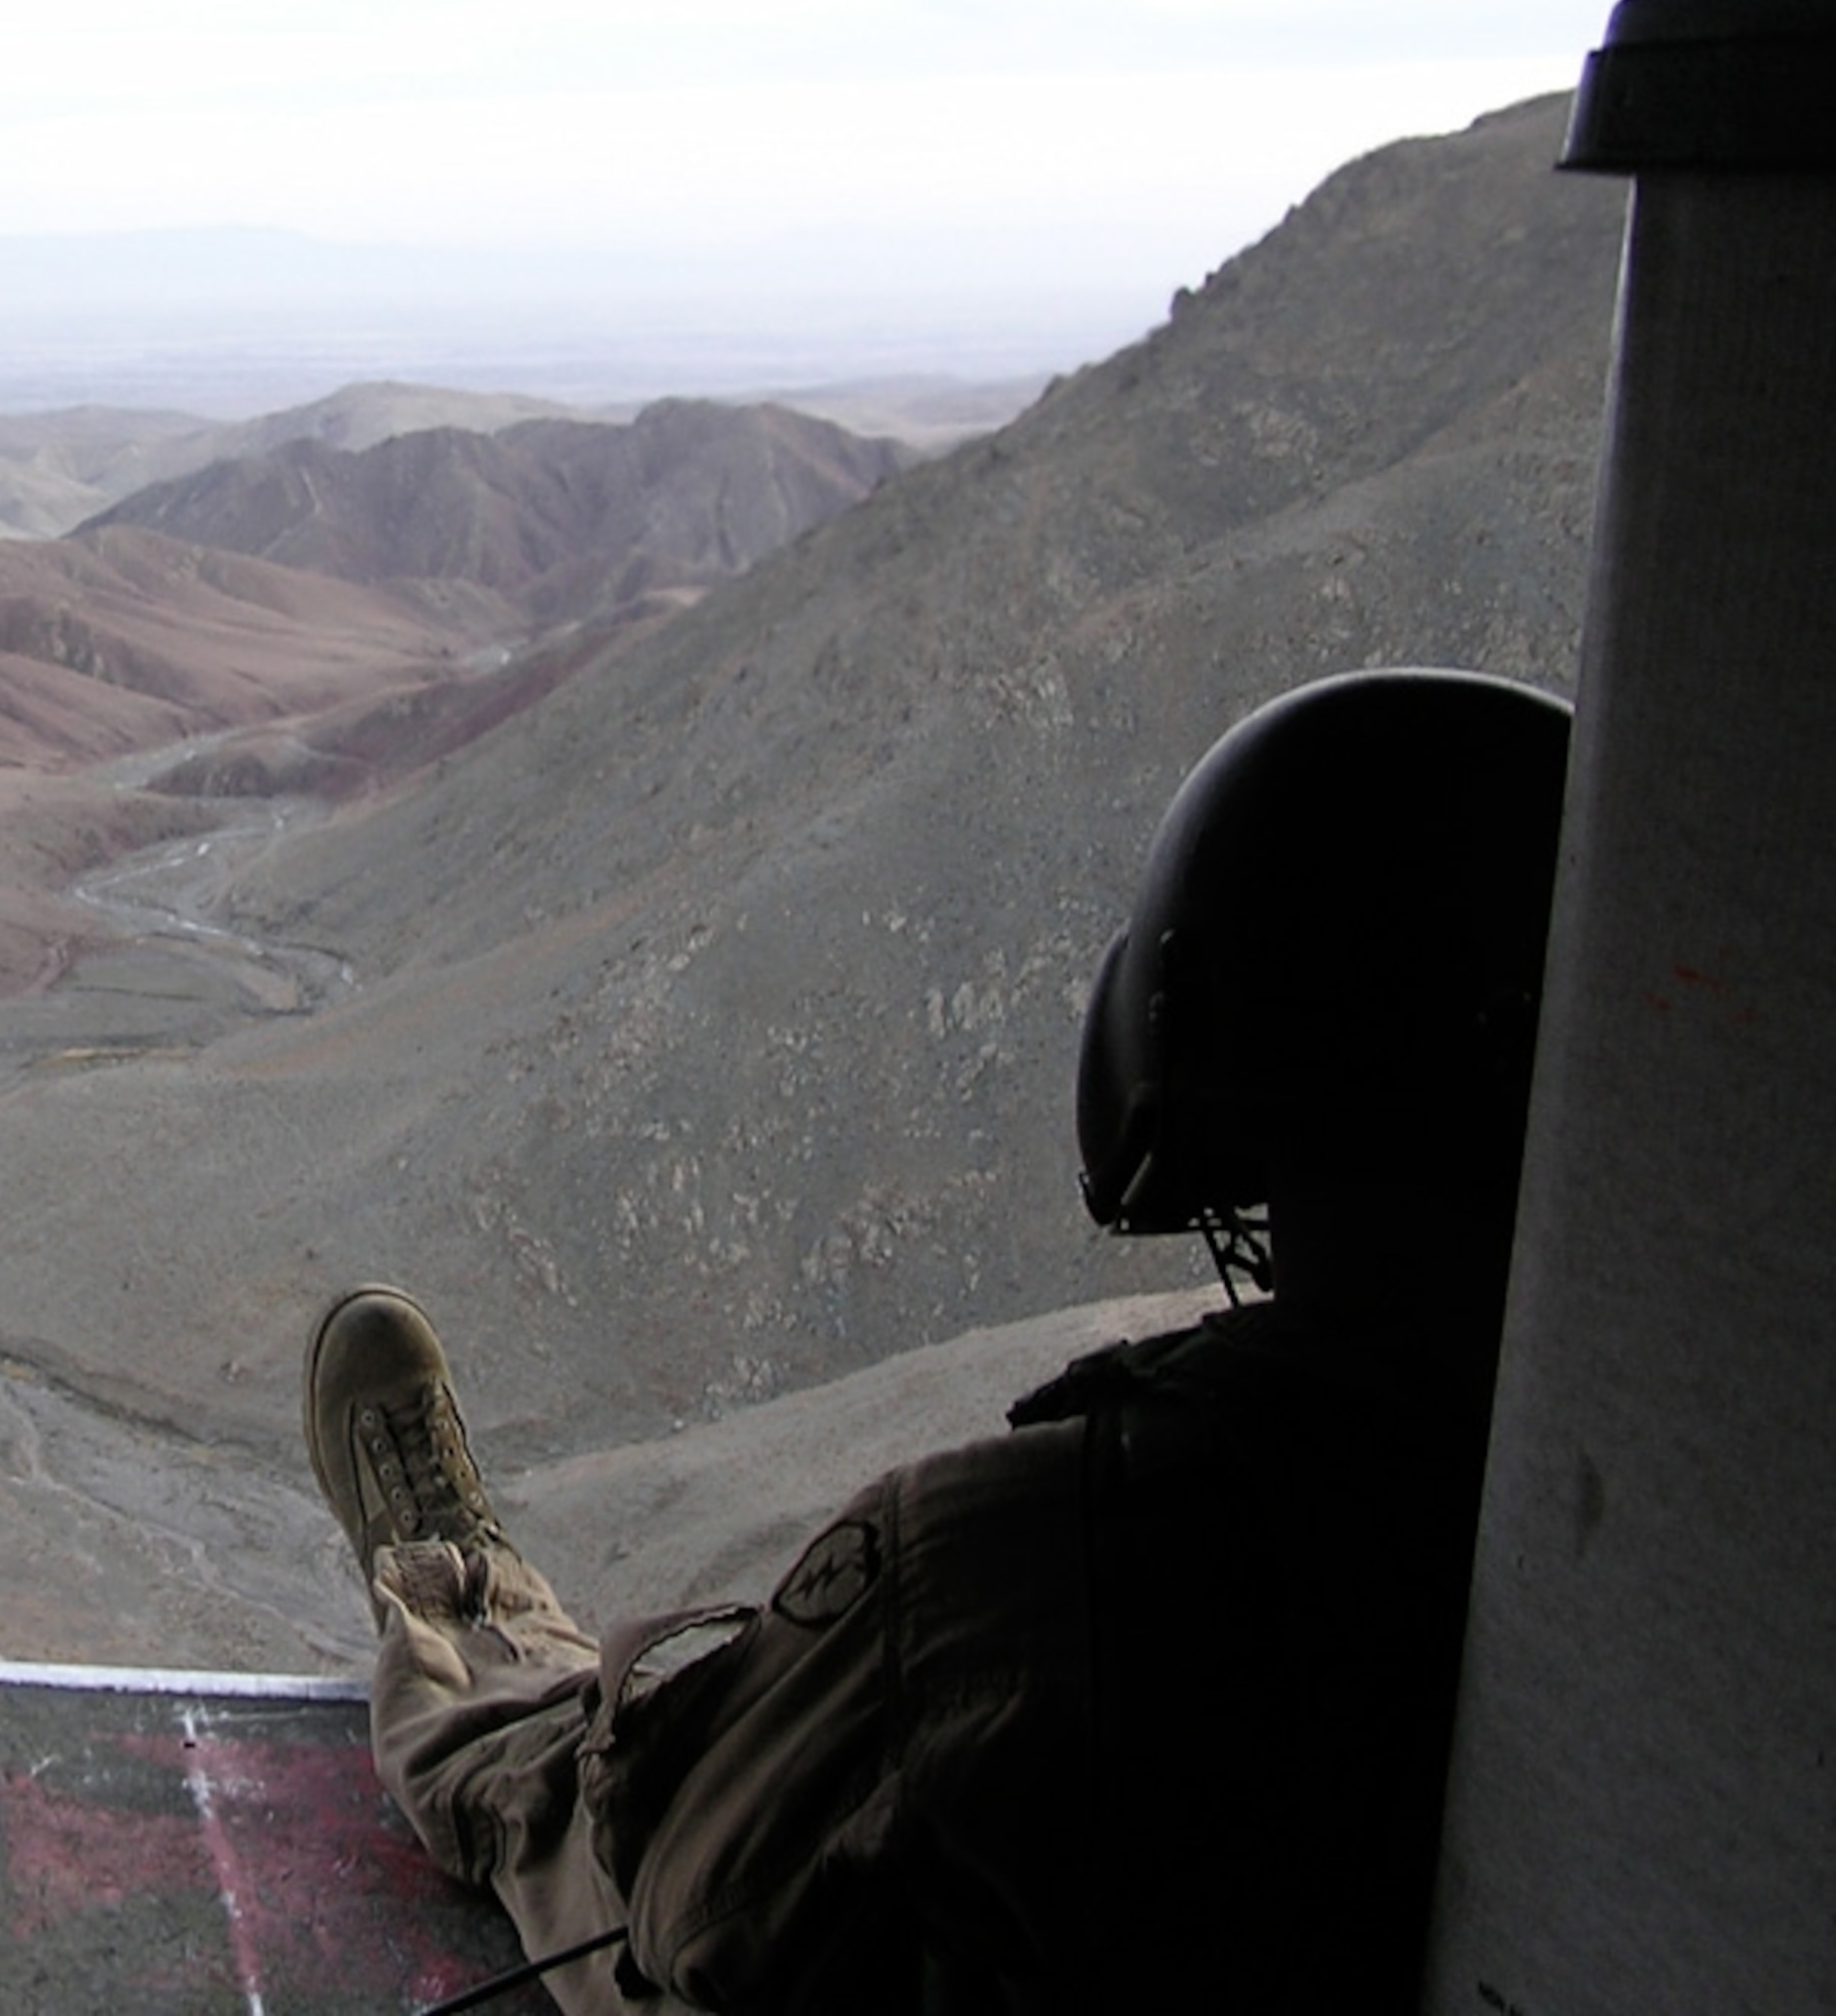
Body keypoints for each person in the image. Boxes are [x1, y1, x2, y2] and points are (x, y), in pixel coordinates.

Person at [302, 668, 1572, 2014]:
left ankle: (455, 1607)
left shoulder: (1027, 1572)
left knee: (607, 1806)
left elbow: (690, 1889)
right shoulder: (1676, 1568)